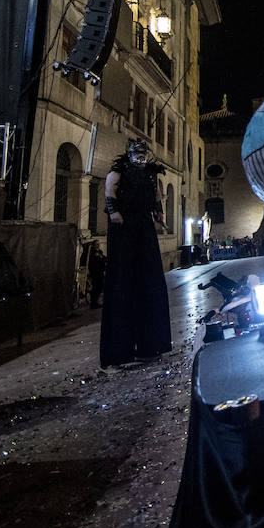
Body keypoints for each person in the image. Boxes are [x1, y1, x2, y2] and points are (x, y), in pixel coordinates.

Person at [100, 138, 172, 367]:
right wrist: (114, 213)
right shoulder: (118, 171)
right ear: (130, 154)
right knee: (122, 282)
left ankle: (150, 345)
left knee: (150, 282)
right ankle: (119, 352)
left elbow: (157, 196)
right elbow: (109, 190)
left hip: (143, 226)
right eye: (137, 153)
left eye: (144, 153)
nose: (140, 157)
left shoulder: (151, 175)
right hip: (123, 228)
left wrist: (159, 215)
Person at [83, 240, 107, 309]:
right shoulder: (92, 253)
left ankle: (95, 302)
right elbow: (94, 262)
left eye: (98, 244)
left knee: (99, 287)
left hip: (100, 271)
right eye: (97, 244)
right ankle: (93, 303)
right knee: (96, 287)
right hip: (95, 272)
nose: (98, 245)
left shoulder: (99, 252)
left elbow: (103, 258)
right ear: (94, 245)